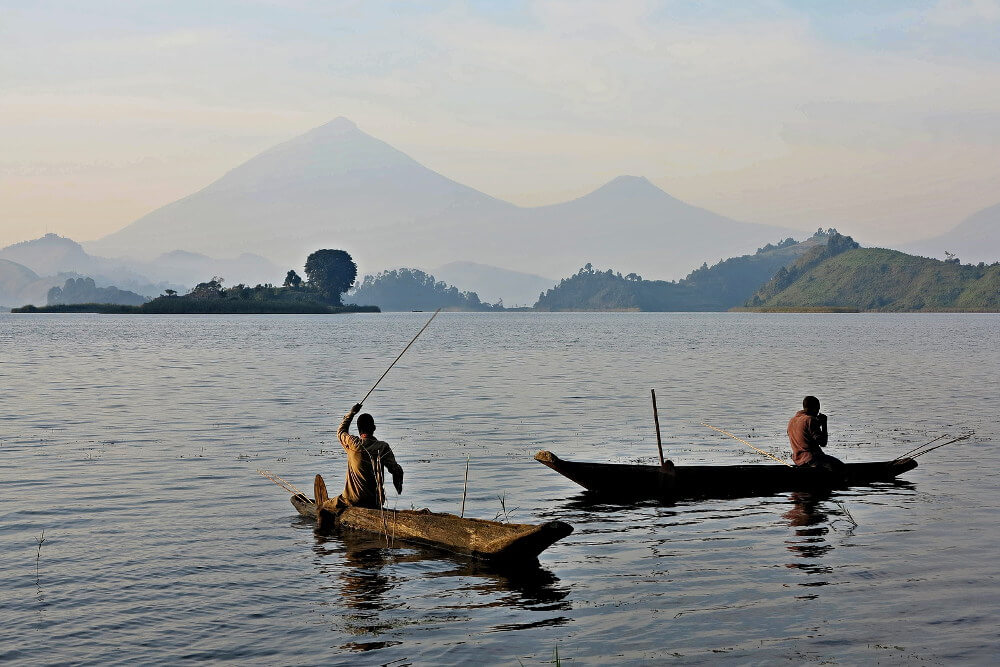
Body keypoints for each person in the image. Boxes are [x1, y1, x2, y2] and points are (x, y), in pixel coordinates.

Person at [334, 402, 404, 508]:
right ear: (374, 428)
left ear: (358, 430)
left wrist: (351, 413)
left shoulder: (352, 443)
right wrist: (398, 484)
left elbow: (341, 431)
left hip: (352, 500)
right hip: (375, 502)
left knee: (323, 507)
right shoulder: (382, 447)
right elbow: (396, 470)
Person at [787, 396, 844, 473]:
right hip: (812, 459)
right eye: (818, 409)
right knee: (842, 468)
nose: (818, 412)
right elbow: (823, 443)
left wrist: (817, 425)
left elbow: (805, 433)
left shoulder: (792, 421)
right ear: (815, 408)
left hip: (798, 460)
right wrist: (824, 424)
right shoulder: (810, 419)